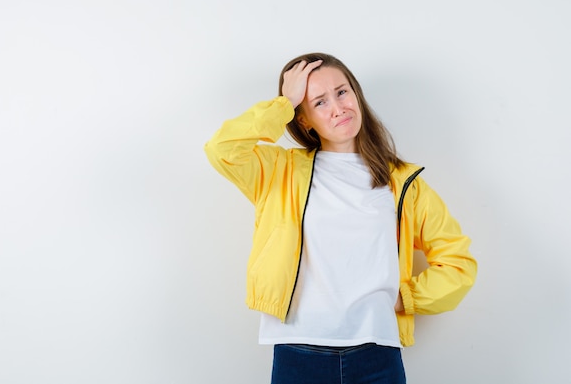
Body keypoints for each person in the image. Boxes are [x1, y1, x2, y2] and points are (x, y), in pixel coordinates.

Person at [204, 52, 477, 384]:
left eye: (342, 92)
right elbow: (222, 149)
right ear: (302, 119)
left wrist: (407, 297)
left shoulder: (402, 183)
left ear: (356, 94)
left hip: (377, 354)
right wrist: (283, 104)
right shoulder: (280, 172)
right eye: (319, 102)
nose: (338, 107)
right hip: (298, 352)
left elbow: (458, 263)